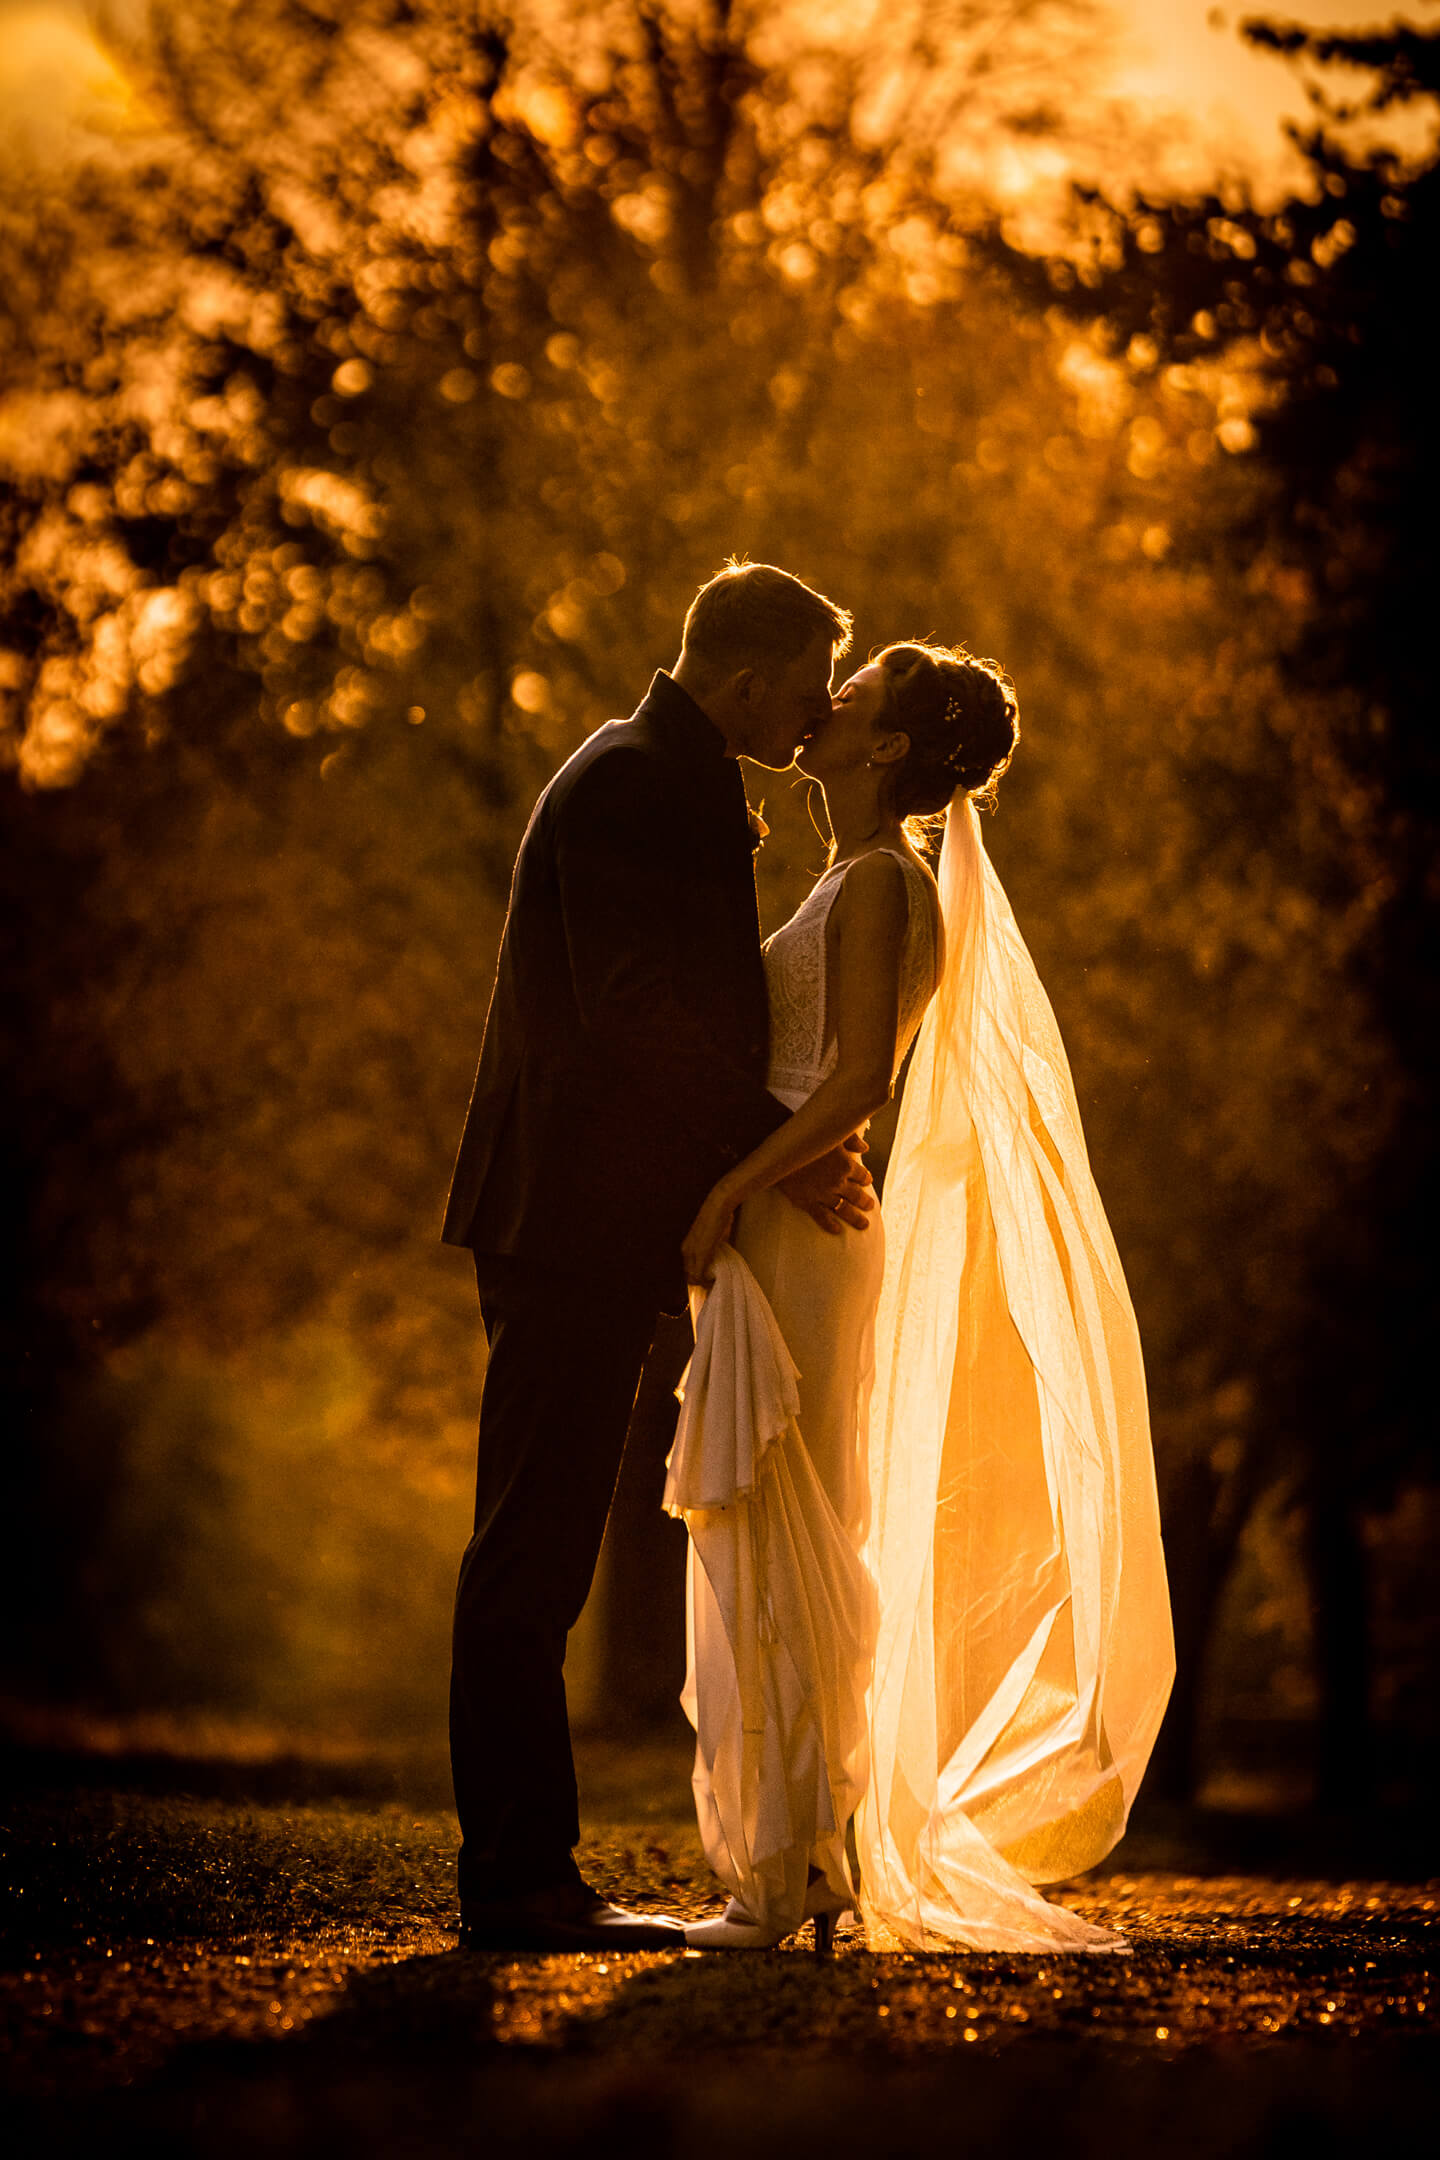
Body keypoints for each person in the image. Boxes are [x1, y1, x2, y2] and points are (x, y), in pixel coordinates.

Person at [672, 641, 1174, 1953]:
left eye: (861, 686)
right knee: (767, 1515)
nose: (825, 693)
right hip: (791, 1212)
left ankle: (790, 1873)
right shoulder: (852, 876)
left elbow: (851, 1091)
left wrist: (732, 1186)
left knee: (795, 1512)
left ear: (888, 746)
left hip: (799, 1225)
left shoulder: (884, 884)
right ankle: (796, 1861)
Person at [440, 562, 874, 1953]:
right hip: (565, 1218)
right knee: (532, 1544)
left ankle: (524, 1872)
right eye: (808, 690)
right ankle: (515, 1879)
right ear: (745, 678)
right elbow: (633, 1011)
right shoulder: (634, 779)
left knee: (545, 1539)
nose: (814, 720)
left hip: (593, 1218)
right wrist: (783, 1141)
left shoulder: (658, 771)